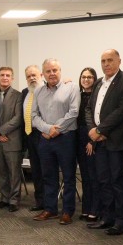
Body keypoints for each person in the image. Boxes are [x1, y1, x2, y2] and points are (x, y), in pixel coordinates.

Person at [85, 49, 123, 236]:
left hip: (116, 140)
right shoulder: (99, 82)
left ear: (119, 61)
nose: (106, 64)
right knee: (103, 180)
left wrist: (101, 130)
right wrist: (93, 130)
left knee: (117, 181)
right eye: (103, 61)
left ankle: (122, 220)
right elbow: (90, 108)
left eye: (110, 60)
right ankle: (107, 217)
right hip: (99, 141)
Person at [31, 59, 80, 223]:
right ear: (43, 74)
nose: (52, 73)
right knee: (48, 176)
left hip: (66, 138)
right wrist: (47, 129)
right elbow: (34, 116)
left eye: (55, 70)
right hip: (45, 139)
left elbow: (73, 113)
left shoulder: (72, 87)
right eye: (48, 71)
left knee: (68, 176)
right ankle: (50, 209)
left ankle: (67, 211)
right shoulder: (38, 91)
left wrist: (55, 130)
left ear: (60, 70)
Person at [0, 67, 23, 213]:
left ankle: (14, 200)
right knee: (1, 172)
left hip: (12, 140)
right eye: (2, 75)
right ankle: (4, 198)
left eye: (8, 75)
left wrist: (1, 130)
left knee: (14, 172)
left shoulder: (18, 95)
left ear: (12, 78)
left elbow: (18, 118)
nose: (5, 77)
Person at [76, 67, 99, 222]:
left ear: (95, 79)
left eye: (90, 77)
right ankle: (86, 208)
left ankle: (95, 209)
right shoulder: (78, 95)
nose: (86, 79)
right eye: (83, 77)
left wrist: (92, 141)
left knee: (93, 176)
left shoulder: (98, 96)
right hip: (79, 138)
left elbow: (97, 120)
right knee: (85, 175)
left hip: (92, 138)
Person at [21, 65, 44, 212]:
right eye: (29, 76)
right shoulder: (25, 92)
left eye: (34, 75)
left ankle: (49, 202)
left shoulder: (47, 90)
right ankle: (40, 201)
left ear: (41, 75)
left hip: (44, 134)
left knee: (46, 170)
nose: (32, 78)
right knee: (35, 170)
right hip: (29, 135)